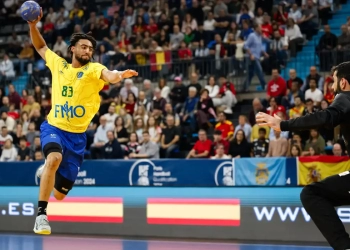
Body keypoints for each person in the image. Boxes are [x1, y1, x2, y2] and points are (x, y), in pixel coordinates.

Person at [28, 9, 138, 235]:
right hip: (54, 127)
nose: (88, 51)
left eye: (91, 49)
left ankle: (48, 169)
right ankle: (41, 216)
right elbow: (41, 47)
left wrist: (119, 75)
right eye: (84, 47)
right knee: (54, 157)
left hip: (77, 137)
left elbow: (108, 75)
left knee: (59, 195)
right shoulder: (59, 65)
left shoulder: (93, 70)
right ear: (73, 49)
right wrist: (32, 25)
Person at [256, 61, 350, 250]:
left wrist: (282, 124)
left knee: (311, 193)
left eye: (334, 82)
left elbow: (325, 117)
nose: (331, 87)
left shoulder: (345, 97)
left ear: (343, 83)